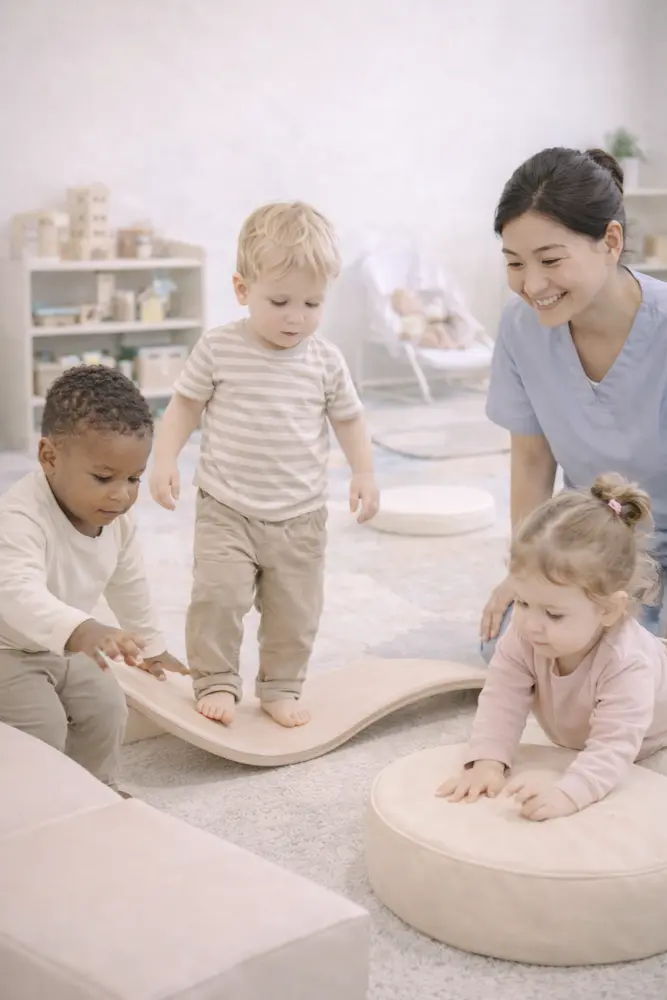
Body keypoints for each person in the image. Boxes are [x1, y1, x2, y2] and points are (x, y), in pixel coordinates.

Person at [150, 201, 379, 729]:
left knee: (294, 615)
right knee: (217, 596)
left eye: (312, 303)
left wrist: (363, 472)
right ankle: (215, 680)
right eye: (279, 301)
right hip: (227, 505)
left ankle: (279, 685)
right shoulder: (219, 348)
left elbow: (349, 419)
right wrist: (164, 459)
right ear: (241, 289)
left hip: (300, 517)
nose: (295, 316)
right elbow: (184, 405)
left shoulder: (325, 360)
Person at [480, 146, 667, 660]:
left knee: (634, 664)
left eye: (551, 260)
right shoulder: (521, 330)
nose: (532, 284)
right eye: (515, 263)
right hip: (587, 545)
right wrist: (528, 577)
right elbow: (532, 465)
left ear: (611, 240)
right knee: (513, 646)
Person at [0, 366, 187, 793]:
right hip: (7, 648)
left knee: (107, 708)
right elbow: (15, 592)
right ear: (49, 457)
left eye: (134, 479)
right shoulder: (18, 517)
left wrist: (152, 648)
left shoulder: (115, 519)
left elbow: (129, 582)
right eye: (104, 478)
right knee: (42, 726)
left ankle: (91, 788)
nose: (122, 494)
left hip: (66, 647)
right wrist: (84, 629)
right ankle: (38, 801)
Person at [439, 474, 667, 821]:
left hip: (650, 735)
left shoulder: (627, 661)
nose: (530, 623)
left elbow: (614, 745)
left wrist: (569, 792)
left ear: (608, 610)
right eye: (522, 602)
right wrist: (488, 761)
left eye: (553, 614)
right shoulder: (524, 635)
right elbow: (502, 698)